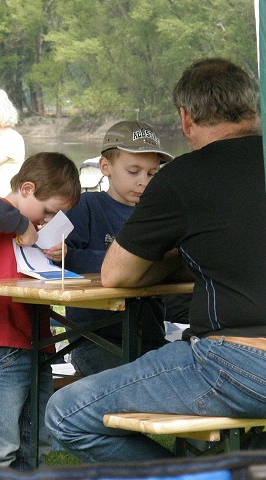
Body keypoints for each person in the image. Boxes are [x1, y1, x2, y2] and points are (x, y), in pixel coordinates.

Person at [45, 57, 266, 462]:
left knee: (65, 413)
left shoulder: (182, 176)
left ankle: (195, 476)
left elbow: (116, 275)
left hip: (245, 366)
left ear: (186, 119)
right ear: (254, 111)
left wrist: (172, 254)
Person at [0, 152, 80, 470]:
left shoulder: (35, 229)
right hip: (0, 341)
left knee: (35, 439)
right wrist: (22, 223)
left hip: (37, 342)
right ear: (26, 189)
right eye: (47, 212)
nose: (46, 222)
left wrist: (58, 251)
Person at [62, 120, 174, 376]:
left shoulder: (158, 215)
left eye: (152, 174)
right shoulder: (84, 205)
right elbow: (58, 257)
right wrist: (126, 265)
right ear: (105, 167)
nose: (143, 181)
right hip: (92, 341)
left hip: (151, 340)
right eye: (133, 171)